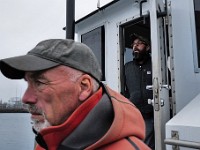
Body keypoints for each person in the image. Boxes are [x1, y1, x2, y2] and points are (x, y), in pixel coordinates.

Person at [0, 39, 150, 150]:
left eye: (39, 83)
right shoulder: (47, 141)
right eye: (28, 83)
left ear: (84, 87)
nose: (26, 98)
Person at [124, 34, 155, 149]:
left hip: (152, 115)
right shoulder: (127, 67)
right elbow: (124, 90)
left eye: (139, 44)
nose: (135, 47)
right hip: (134, 115)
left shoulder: (156, 64)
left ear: (147, 47)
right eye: (133, 45)